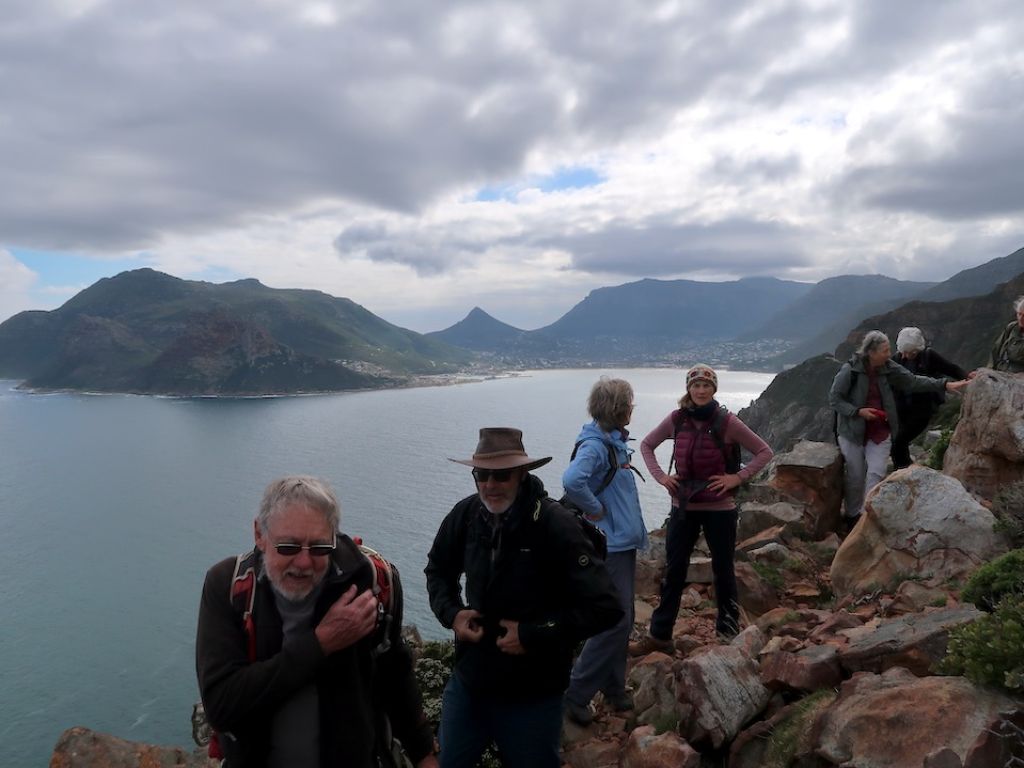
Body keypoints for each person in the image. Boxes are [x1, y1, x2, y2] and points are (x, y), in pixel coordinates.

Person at [196, 475, 437, 768]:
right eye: (288, 547)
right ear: (259, 534)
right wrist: (320, 644)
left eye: (320, 547)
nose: (304, 563)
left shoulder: (369, 583)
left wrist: (424, 754)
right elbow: (221, 705)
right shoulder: (229, 586)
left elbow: (395, 677)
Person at [425, 428, 622, 768]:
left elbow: (606, 607)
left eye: (501, 475)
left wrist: (532, 634)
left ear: (521, 474)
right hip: (471, 682)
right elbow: (438, 569)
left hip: (534, 695)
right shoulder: (467, 515)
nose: (490, 484)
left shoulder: (555, 525)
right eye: (481, 474)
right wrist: (452, 613)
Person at [631, 364, 773, 652]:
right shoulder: (677, 419)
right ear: (689, 388)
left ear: (714, 389)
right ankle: (660, 636)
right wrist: (662, 477)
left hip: (720, 508)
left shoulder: (727, 421)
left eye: (707, 385)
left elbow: (764, 452)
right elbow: (646, 445)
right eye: (696, 385)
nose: (701, 390)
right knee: (674, 570)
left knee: (723, 569)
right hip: (683, 506)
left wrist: (737, 477)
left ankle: (727, 634)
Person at [561, 377, 647, 726]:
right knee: (617, 619)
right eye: (629, 403)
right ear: (619, 409)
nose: (631, 408)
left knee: (622, 617)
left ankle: (613, 687)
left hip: (620, 543)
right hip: (609, 545)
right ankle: (576, 693)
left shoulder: (611, 441)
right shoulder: (596, 446)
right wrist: (595, 510)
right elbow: (572, 481)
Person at [830, 331, 967, 527]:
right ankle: (852, 515)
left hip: (880, 429)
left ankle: (865, 517)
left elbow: (913, 381)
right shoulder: (849, 371)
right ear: (872, 352)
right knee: (855, 477)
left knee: (876, 472)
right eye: (885, 350)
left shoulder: (889, 367)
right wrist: (858, 412)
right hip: (853, 430)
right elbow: (835, 399)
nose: (890, 354)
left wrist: (944, 385)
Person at [890, 327, 967, 469]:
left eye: (910, 353)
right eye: (903, 352)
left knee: (899, 442)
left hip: (921, 410)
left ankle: (905, 471)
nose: (905, 356)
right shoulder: (896, 359)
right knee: (899, 443)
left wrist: (967, 377)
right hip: (901, 409)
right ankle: (904, 470)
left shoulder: (928, 356)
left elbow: (951, 368)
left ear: (917, 349)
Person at [988, 295, 1024, 373]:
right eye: (1019, 314)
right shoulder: (1012, 327)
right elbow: (996, 350)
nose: (1021, 318)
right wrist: (989, 370)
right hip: (1001, 370)